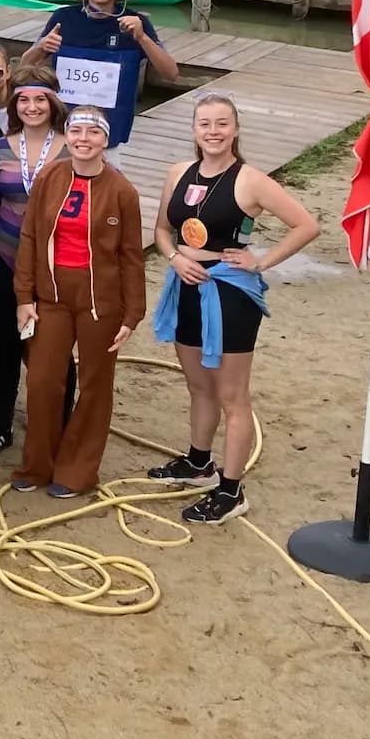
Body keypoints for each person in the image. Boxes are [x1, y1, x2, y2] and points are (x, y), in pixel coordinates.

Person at [147, 94, 321, 526]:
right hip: (185, 283)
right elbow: (162, 230)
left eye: (222, 124)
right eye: (204, 123)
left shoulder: (250, 180)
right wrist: (174, 258)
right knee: (198, 386)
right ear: (193, 129)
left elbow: (306, 225)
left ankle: (231, 489)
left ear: (236, 129)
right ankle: (199, 463)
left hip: (227, 293)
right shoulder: (177, 173)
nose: (213, 131)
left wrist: (261, 261)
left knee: (231, 396)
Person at [15, 107, 146, 499]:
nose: (83, 138)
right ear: (66, 135)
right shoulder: (50, 177)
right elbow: (30, 237)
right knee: (42, 381)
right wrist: (24, 296)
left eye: (93, 132)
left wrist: (132, 313)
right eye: (76, 131)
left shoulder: (122, 191)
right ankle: (38, 464)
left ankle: (76, 471)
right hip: (52, 297)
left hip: (99, 302)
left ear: (105, 140)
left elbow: (131, 256)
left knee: (94, 384)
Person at [0, 68, 64, 462]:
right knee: (6, 347)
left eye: (40, 99)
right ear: (15, 105)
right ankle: (1, 428)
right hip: (6, 256)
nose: (32, 107)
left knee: (54, 348)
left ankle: (60, 425)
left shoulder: (71, 147)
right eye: (24, 100)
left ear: (54, 104)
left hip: (56, 262)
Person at [29, 0, 180, 147]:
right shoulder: (63, 18)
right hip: (62, 133)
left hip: (109, 135)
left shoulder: (135, 22)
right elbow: (25, 66)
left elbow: (171, 73)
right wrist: (41, 47)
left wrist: (143, 38)